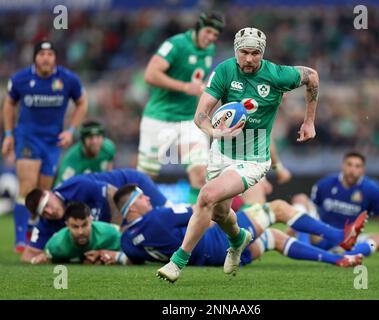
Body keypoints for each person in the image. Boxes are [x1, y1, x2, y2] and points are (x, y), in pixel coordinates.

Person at [155, 26, 333, 282]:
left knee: (205, 197)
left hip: (253, 160)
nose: (249, 59)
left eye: (254, 53)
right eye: (244, 52)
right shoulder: (225, 70)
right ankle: (238, 239)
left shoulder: (278, 75)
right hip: (221, 153)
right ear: (235, 50)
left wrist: (309, 121)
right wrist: (216, 133)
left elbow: (312, 76)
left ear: (262, 53)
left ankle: (177, 262)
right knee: (218, 212)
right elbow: (201, 115)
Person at [106, 184, 362, 273]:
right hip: (219, 244)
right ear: (130, 208)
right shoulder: (159, 217)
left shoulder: (128, 242)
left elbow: (132, 259)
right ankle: (341, 236)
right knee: (279, 208)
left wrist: (112, 257)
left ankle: (338, 259)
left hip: (211, 261)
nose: (148, 199)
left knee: (274, 238)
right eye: (141, 197)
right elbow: (201, 213)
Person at [1, 40, 88, 252]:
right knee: (28, 187)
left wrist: (70, 131)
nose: (46, 58)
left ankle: (35, 234)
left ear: (55, 58)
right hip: (28, 139)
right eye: (42, 54)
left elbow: (82, 102)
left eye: (50, 54)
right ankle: (20, 240)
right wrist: (9, 135)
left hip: (52, 142)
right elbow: (9, 103)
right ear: (35, 57)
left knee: (44, 192)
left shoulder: (67, 79)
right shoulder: (21, 79)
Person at [137, 12, 225, 204]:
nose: (210, 38)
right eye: (208, 32)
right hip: (159, 118)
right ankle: (134, 223)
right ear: (198, 28)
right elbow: (150, 75)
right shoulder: (175, 45)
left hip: (188, 120)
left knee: (201, 175)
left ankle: (193, 226)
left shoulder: (209, 50)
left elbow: (199, 82)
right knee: (145, 178)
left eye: (215, 35)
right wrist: (185, 87)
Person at [21, 168, 168, 263]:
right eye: (43, 212)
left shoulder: (76, 186)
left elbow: (112, 194)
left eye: (47, 205)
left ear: (50, 193)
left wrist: (118, 229)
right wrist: (39, 260)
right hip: (117, 209)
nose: (50, 212)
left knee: (162, 219)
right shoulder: (47, 221)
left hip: (130, 186)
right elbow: (27, 256)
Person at [290, 151, 379, 259]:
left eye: (357, 166)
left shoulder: (371, 189)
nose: (353, 170)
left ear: (363, 170)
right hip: (321, 234)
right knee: (300, 199)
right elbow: (306, 214)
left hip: (349, 240)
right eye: (349, 165)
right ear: (343, 166)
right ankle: (304, 249)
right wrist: (290, 231)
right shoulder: (326, 183)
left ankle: (343, 255)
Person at [37, 202, 122, 264]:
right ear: (67, 225)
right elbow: (47, 263)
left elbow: (131, 253)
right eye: (75, 227)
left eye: (84, 225)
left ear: (91, 220)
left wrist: (102, 254)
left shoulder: (110, 234)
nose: (80, 232)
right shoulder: (56, 245)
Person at [54, 120, 116, 186]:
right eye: (90, 137)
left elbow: (109, 176)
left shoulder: (108, 149)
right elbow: (60, 189)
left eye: (98, 137)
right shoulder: (71, 161)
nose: (95, 142)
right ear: (83, 140)